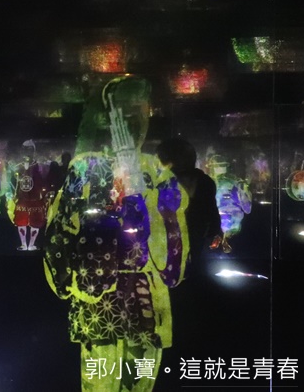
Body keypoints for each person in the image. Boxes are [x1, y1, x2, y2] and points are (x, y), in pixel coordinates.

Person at [44, 76, 188, 392]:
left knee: (139, 377)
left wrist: (148, 205)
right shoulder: (85, 167)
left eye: (141, 112)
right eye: (125, 113)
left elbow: (171, 232)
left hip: (142, 292)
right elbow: (62, 226)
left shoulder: (155, 170)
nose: (135, 122)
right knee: (100, 377)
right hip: (97, 293)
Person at [156, 137, 223, 276]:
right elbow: (212, 211)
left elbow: (211, 210)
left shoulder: (166, 183)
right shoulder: (204, 181)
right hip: (186, 237)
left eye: (162, 159)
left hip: (184, 236)